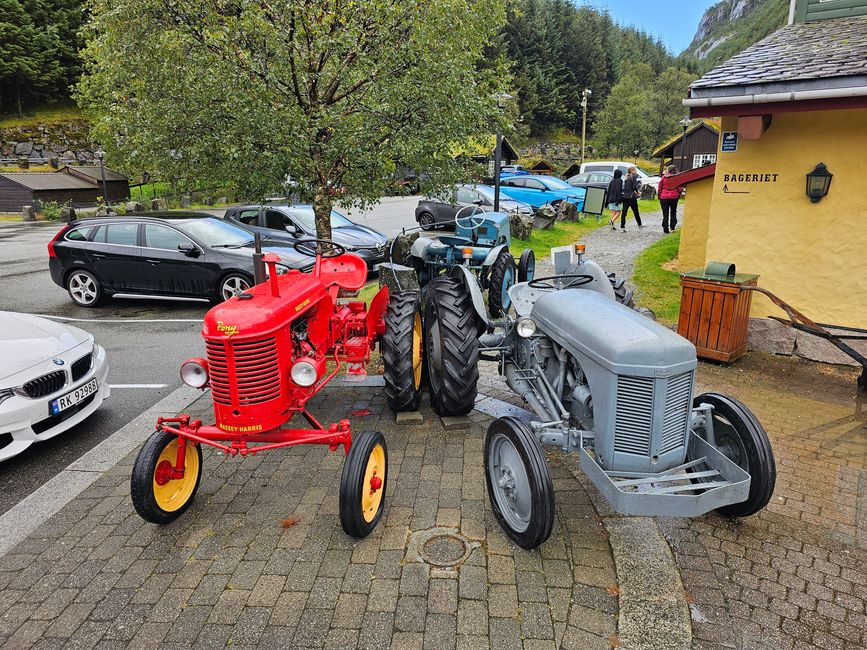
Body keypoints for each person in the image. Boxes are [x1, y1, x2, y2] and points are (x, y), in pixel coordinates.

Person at [657, 164, 685, 233]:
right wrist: (678, 195)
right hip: (674, 196)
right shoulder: (677, 177)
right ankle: (672, 226)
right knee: (673, 211)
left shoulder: (664, 177)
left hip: (664, 196)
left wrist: (660, 196)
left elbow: (660, 187)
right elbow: (680, 188)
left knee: (665, 213)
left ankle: (665, 227)